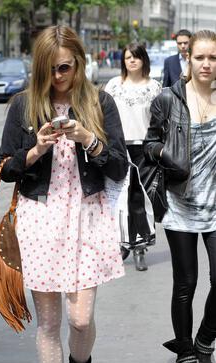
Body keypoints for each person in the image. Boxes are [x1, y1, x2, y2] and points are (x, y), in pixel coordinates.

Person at [0, 25, 128, 363]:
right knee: (50, 322)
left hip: (87, 218)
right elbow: (5, 169)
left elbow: (120, 167)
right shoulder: (23, 105)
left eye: (65, 68)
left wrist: (89, 139)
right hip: (41, 220)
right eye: (50, 70)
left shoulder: (98, 101)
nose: (58, 77)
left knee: (80, 317)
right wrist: (35, 149)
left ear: (79, 62)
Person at [144, 30, 216, 363]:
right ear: (188, 58)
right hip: (179, 205)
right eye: (201, 57)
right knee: (185, 283)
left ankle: (204, 343)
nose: (206, 63)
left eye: (213, 58)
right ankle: (186, 355)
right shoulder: (169, 100)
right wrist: (163, 154)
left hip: (215, 205)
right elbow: (149, 143)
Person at [105, 42, 162, 271]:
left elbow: (160, 121)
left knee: (139, 199)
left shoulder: (155, 87)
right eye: (128, 57)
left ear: (143, 60)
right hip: (118, 147)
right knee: (119, 199)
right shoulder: (113, 85)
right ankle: (122, 244)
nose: (132, 61)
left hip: (144, 149)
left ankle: (140, 247)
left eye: (136, 57)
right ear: (123, 61)